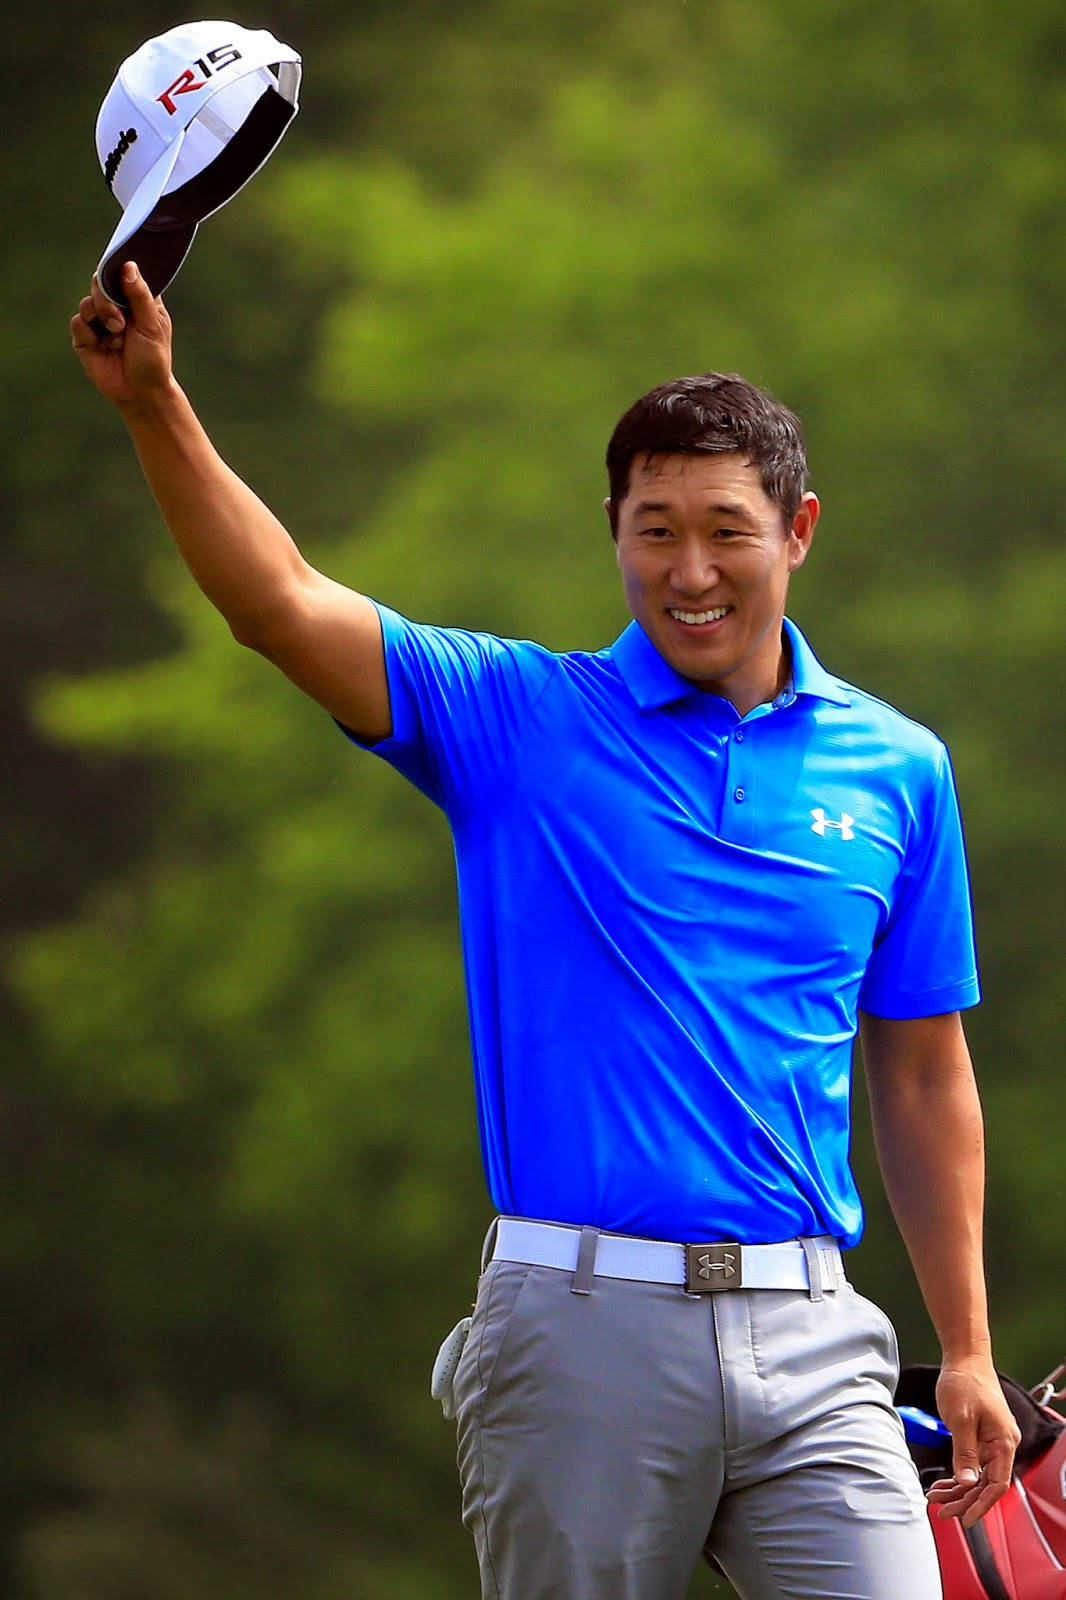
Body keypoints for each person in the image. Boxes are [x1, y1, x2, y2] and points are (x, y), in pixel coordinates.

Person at [72, 262, 1020, 1600]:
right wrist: (156, 403)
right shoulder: (516, 721)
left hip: (816, 1334)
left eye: (726, 530)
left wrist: (966, 1349)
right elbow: (276, 603)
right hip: (578, 1329)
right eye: (653, 530)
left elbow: (921, 1071)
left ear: (797, 529)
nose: (690, 572)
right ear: (613, 531)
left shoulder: (899, 768)